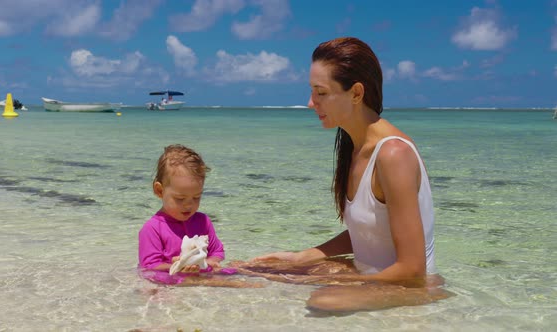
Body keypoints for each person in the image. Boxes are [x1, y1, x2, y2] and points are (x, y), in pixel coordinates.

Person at [250, 37, 448, 311]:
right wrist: (303, 257)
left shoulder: (393, 154)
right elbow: (370, 231)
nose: (310, 103)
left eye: (320, 93)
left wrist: (337, 281)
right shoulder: (354, 148)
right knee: (258, 269)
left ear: (356, 93)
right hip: (375, 277)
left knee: (323, 299)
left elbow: (413, 270)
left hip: (409, 288)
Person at [138, 144, 224, 274]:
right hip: (169, 283)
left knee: (242, 274)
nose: (189, 205)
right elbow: (149, 267)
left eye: (196, 198)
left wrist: (210, 262)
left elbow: (217, 251)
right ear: (159, 191)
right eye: (180, 199)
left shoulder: (203, 221)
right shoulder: (153, 229)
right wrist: (180, 265)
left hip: (200, 278)